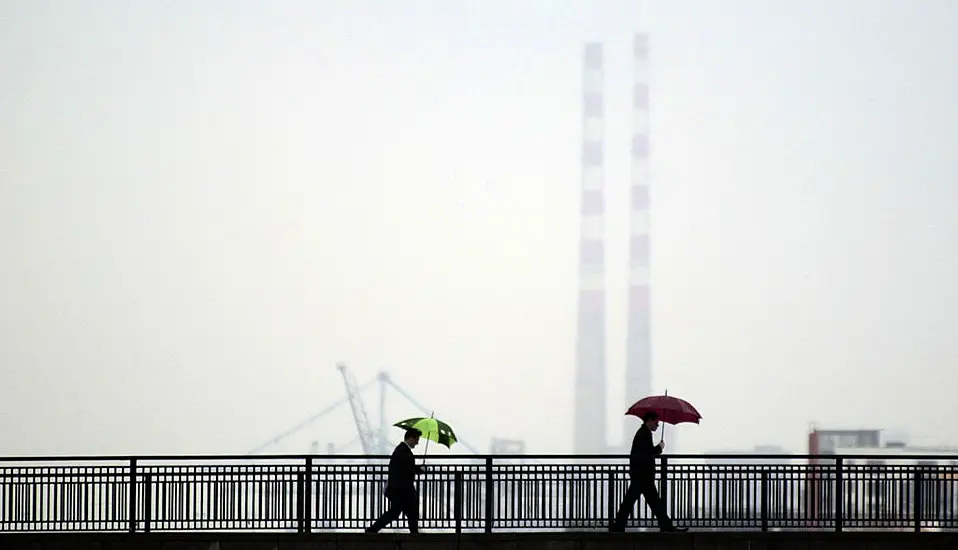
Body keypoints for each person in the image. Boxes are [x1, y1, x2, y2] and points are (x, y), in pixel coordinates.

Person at [610, 411, 687, 532]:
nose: (657, 425)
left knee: (634, 503)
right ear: (649, 421)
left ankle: (618, 527)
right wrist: (660, 448)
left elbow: (644, 453)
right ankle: (667, 527)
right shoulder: (644, 434)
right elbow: (648, 453)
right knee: (652, 504)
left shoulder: (643, 433)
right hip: (643, 476)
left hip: (640, 476)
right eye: (656, 423)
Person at [365, 428, 425, 534]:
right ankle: (415, 536)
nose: (417, 443)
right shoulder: (403, 451)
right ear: (410, 438)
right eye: (416, 439)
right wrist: (419, 469)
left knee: (397, 513)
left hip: (399, 489)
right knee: (410, 512)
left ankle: (372, 530)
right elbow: (408, 468)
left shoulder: (401, 450)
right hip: (403, 490)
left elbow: (406, 467)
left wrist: (417, 469)